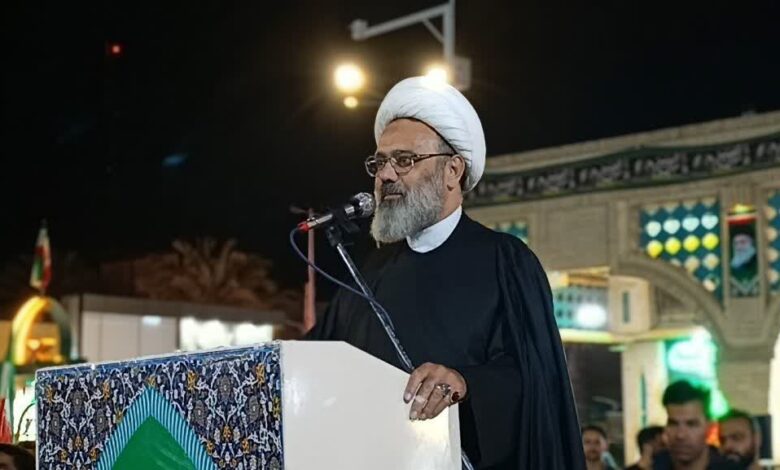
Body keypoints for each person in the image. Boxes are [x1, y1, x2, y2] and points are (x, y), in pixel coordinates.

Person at [306, 76, 584, 468]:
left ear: (453, 170)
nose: (386, 176)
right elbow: (320, 361)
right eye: (380, 162)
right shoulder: (371, 272)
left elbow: (534, 386)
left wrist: (465, 383)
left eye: (405, 160)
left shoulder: (505, 262)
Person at [652, 381, 739, 470]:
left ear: (709, 427)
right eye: (673, 424)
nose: (680, 435)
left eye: (691, 424)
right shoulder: (653, 465)